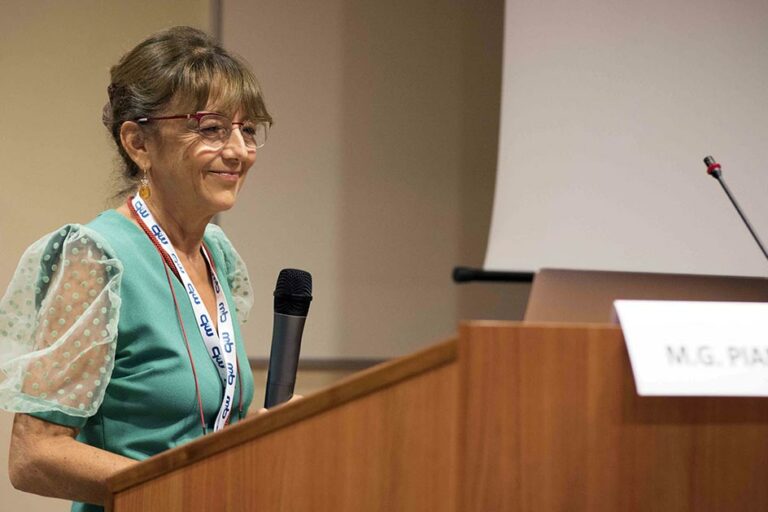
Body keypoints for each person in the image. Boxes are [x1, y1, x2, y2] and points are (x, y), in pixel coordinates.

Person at [1, 26, 271, 511]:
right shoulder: (96, 258)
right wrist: (182, 488)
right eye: (211, 128)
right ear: (138, 143)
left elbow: (197, 426)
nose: (238, 151)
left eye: (247, 129)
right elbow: (34, 456)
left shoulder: (215, 253)